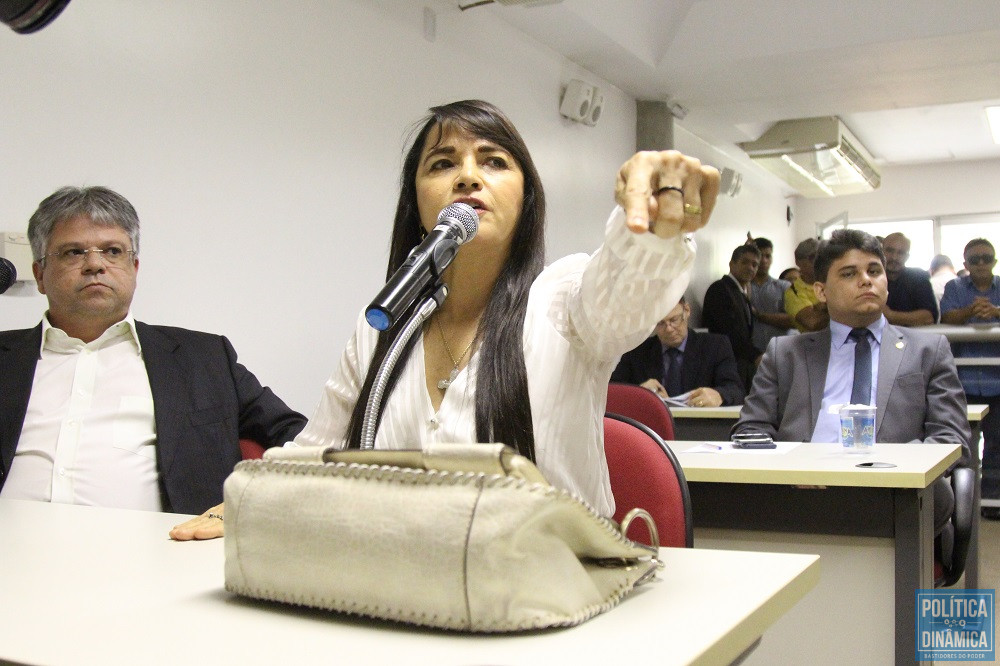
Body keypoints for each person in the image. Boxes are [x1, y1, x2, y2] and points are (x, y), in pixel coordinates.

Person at [171, 99, 720, 539]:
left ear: (527, 199)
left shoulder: (563, 298)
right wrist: (238, 504)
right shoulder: (383, 322)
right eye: (443, 164)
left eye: (493, 161)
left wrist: (654, 225)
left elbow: (625, 292)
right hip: (404, 595)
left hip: (549, 605)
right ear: (417, 203)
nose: (467, 177)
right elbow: (316, 452)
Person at [0, 186, 307, 516]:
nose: (94, 264)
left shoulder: (204, 358)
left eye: (112, 251)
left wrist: (256, 510)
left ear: (134, 268)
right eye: (73, 252)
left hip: (160, 558)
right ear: (40, 275)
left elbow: (297, 440)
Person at [734, 228, 970, 534]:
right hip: (799, 496)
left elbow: (952, 439)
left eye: (874, 270)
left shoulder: (928, 350)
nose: (866, 280)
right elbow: (750, 429)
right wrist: (791, 469)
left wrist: (890, 469)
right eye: (849, 273)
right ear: (821, 291)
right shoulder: (785, 353)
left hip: (894, 498)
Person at [940, 238, 1000, 517]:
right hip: (962, 381)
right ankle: (960, 506)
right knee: (961, 447)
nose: (980, 264)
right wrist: (971, 311)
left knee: (997, 448)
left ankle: (991, 505)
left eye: (985, 258)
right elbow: (946, 318)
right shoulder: (954, 287)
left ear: (994, 261)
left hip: (997, 382)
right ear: (964, 263)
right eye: (974, 259)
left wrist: (996, 312)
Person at [610, 296, 745, 407]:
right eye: (660, 324)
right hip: (653, 428)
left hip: (700, 427)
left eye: (674, 320)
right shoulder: (637, 351)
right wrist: (639, 393)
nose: (669, 329)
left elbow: (735, 389)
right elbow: (613, 391)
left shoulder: (715, 346)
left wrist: (719, 395)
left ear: (686, 311)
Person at [701, 244, 762, 391]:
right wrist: (755, 355)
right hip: (724, 366)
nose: (750, 268)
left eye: (755, 264)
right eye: (745, 262)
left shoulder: (741, 293)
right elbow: (729, 333)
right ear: (731, 264)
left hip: (740, 365)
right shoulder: (720, 289)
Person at [881, 232, 938, 325]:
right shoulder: (869, 278)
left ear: (907, 257)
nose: (894, 257)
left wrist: (890, 316)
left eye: (901, 253)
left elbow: (928, 317)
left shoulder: (918, 277)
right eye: (890, 251)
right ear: (881, 252)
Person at [749, 237, 793, 350]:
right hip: (751, 355)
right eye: (760, 256)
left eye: (767, 256)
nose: (764, 261)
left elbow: (793, 320)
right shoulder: (743, 287)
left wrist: (760, 316)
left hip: (781, 352)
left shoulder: (784, 286)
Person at [784, 237, 828, 332]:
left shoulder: (833, 281)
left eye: (821, 257)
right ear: (798, 262)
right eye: (812, 257)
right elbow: (813, 323)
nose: (818, 262)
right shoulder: (793, 292)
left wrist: (821, 307)